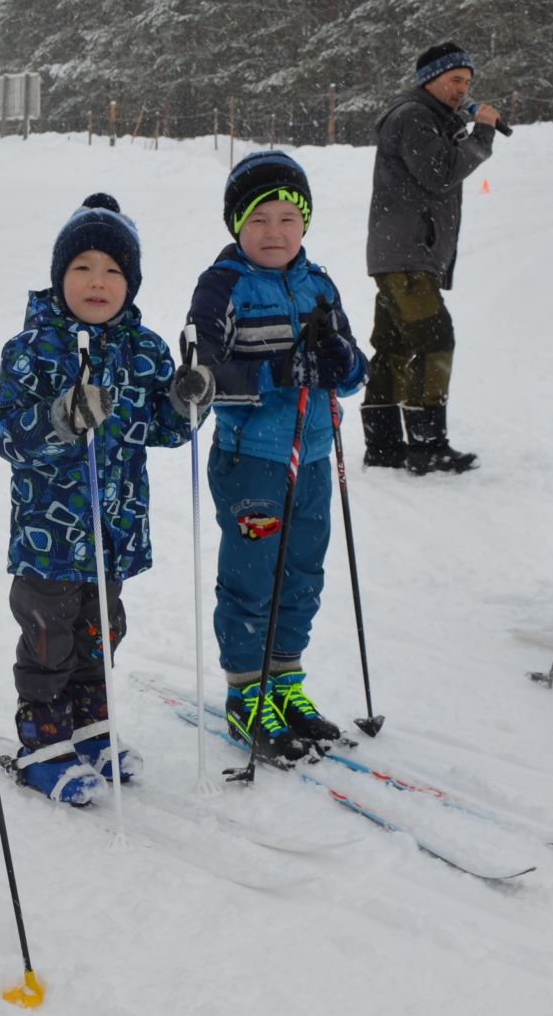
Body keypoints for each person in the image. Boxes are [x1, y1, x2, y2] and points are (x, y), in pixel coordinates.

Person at [0, 193, 194, 804]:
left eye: (113, 271)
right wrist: (58, 420)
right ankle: (42, 733)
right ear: (59, 276)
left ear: (131, 283)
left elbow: (167, 429)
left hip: (114, 530)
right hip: (49, 532)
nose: (97, 282)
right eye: (82, 268)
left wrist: (184, 399)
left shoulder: (146, 350)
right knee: (50, 634)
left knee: (102, 629)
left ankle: (89, 723)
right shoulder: (32, 350)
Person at [183, 152, 368, 765]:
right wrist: (277, 371)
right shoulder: (223, 286)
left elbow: (355, 367)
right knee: (253, 579)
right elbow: (200, 374)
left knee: (302, 577)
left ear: (305, 224)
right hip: (252, 460)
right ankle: (247, 692)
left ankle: (286, 685)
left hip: (314, 456)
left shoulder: (319, 284)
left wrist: (341, 364)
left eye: (289, 217)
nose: (275, 231)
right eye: (260, 218)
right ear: (237, 224)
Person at [362, 42, 497, 475]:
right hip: (406, 254)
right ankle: (427, 445)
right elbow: (439, 172)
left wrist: (463, 129)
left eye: (468, 82)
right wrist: (483, 135)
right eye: (455, 80)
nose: (462, 89)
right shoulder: (414, 116)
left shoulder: (429, 118)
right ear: (429, 79)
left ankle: (383, 445)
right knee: (435, 338)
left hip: (403, 251)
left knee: (394, 346)